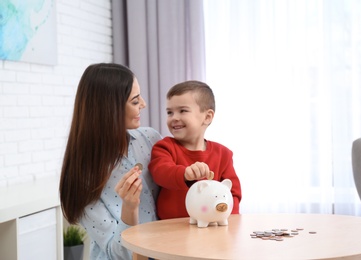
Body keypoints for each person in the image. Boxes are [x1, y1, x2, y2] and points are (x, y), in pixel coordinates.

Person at [59, 63, 162, 259]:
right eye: (134, 101)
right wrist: (129, 208)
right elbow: (116, 254)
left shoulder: (151, 139)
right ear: (109, 109)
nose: (144, 104)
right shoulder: (82, 175)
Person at [148, 80, 242, 220]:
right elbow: (161, 172)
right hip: (170, 229)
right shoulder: (164, 147)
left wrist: (227, 218)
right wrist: (185, 173)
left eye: (183, 111)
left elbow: (233, 192)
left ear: (207, 117)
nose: (174, 118)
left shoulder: (223, 154)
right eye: (170, 112)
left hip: (211, 228)